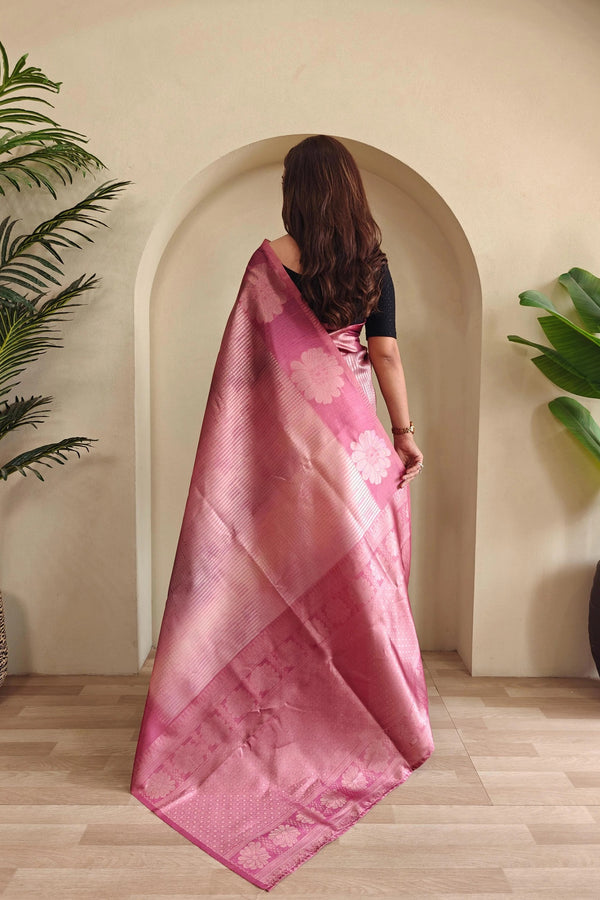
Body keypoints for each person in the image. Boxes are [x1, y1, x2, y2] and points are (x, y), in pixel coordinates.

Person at [131, 135, 433, 892]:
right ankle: (379, 716)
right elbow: (386, 357)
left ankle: (279, 705)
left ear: (297, 189)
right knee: (361, 584)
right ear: (352, 189)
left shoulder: (270, 258)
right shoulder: (374, 259)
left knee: (279, 577)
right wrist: (403, 434)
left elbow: (246, 368)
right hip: (354, 442)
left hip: (288, 449)